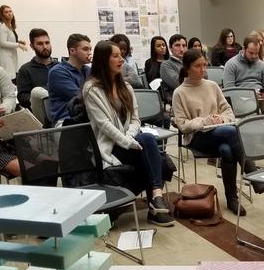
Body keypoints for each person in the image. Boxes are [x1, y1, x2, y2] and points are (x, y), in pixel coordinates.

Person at [83, 40, 174, 227]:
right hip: (110, 145)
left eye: (121, 56)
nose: (121, 59)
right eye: (115, 56)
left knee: (147, 142)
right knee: (152, 149)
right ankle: (155, 204)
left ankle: (155, 199)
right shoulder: (92, 89)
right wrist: (127, 142)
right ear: (103, 60)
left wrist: (130, 138)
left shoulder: (126, 87)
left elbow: (135, 119)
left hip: (130, 141)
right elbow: (104, 125)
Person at [172, 49, 264, 215]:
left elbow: (228, 111)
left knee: (227, 150)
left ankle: (232, 198)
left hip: (220, 132)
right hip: (197, 137)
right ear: (187, 68)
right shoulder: (179, 92)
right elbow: (182, 125)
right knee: (231, 132)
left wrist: (219, 118)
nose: (203, 69)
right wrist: (205, 121)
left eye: (204, 65)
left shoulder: (212, 86)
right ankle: (253, 174)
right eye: (198, 66)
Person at [222, 34, 264, 114]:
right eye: (251, 53)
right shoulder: (231, 64)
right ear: (244, 49)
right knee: (254, 109)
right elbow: (229, 89)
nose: (254, 56)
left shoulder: (261, 64)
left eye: (256, 53)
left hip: (261, 98)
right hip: (241, 98)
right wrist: (251, 95)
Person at [47, 33, 91, 122]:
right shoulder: (57, 72)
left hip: (87, 119)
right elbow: (81, 99)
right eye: (85, 49)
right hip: (66, 122)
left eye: (90, 49)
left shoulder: (88, 70)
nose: (90, 53)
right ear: (72, 51)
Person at [16, 28, 57, 122]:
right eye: (40, 44)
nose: (45, 46)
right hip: (40, 118)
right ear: (32, 46)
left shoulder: (60, 68)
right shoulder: (25, 70)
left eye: (47, 43)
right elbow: (22, 97)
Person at [0, 5, 28, 80]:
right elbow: (2, 43)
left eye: (10, 11)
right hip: (4, 56)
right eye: (6, 12)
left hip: (10, 55)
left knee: (13, 75)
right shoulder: (1, 25)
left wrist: (19, 41)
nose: (9, 13)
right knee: (9, 77)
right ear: (2, 15)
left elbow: (8, 39)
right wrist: (18, 45)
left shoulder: (9, 25)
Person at [159, 33, 187, 105]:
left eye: (184, 46)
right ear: (170, 48)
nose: (181, 49)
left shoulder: (189, 62)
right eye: (177, 45)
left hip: (192, 96)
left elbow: (205, 77)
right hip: (178, 100)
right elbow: (178, 83)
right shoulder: (166, 65)